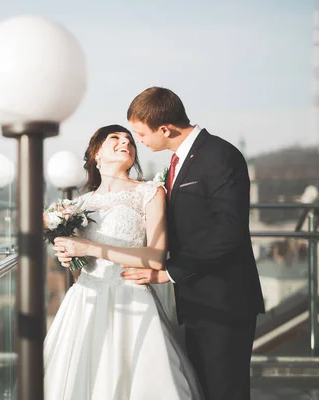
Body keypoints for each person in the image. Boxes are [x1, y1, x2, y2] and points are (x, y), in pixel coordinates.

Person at [123, 87, 265, 400]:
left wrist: (168, 272)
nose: (139, 142)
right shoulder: (178, 161)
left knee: (224, 390)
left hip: (224, 301)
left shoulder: (219, 155)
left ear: (165, 128)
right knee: (203, 388)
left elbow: (229, 230)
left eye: (141, 133)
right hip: (197, 302)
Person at [46, 124, 203, 399]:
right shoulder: (79, 205)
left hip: (131, 297)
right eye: (115, 138)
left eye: (130, 140)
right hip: (85, 299)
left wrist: (90, 247)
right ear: (97, 153)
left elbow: (156, 257)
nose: (125, 143)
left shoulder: (150, 192)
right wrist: (68, 254)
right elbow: (77, 265)